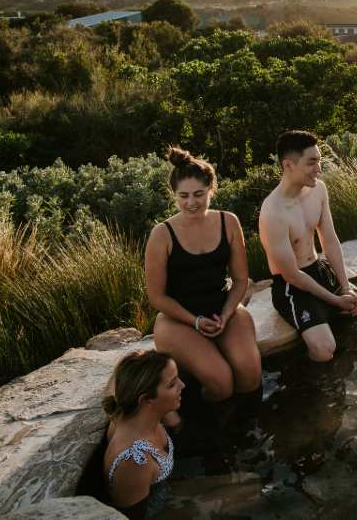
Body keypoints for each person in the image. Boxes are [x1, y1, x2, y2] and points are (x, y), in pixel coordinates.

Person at [145, 147, 260, 403]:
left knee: (250, 375)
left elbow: (241, 279)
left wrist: (228, 313)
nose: (191, 202)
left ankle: (246, 430)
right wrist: (195, 321)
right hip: (178, 320)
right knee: (221, 382)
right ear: (174, 195)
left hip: (222, 308)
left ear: (211, 189)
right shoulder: (161, 235)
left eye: (199, 194)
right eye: (183, 196)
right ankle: (211, 427)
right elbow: (156, 296)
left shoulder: (228, 222)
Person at [259, 130, 357, 363]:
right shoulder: (273, 212)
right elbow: (291, 275)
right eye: (312, 162)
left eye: (319, 160)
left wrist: (344, 287)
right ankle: (306, 382)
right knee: (324, 349)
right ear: (288, 165)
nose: (319, 168)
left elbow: (329, 240)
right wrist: (336, 301)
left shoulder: (318, 190)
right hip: (293, 285)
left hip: (319, 268)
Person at [102, 350, 183, 516]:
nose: (183, 385)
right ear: (146, 400)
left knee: (247, 484)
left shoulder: (131, 411)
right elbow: (132, 516)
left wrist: (172, 417)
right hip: (160, 511)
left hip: (167, 489)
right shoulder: (134, 462)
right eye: (172, 384)